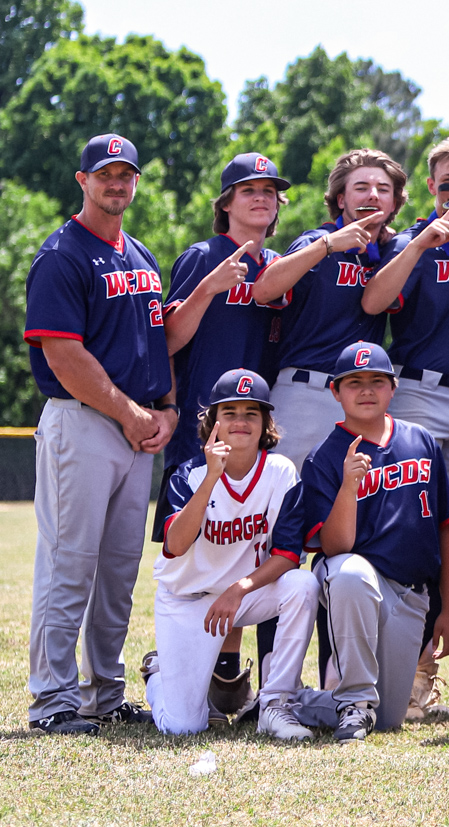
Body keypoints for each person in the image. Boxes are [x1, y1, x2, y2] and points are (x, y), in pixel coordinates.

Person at [22, 133, 173, 734]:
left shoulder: (140, 256)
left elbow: (152, 343)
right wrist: (130, 413)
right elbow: (64, 355)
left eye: (125, 174)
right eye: (104, 173)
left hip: (137, 429)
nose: (116, 183)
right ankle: (53, 699)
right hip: (82, 421)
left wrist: (164, 408)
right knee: (69, 564)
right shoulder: (62, 254)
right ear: (81, 180)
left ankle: (103, 693)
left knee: (117, 569)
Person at [154, 151, 294, 717]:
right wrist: (208, 287)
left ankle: (237, 674)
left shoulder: (279, 267)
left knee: (251, 546)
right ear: (226, 204)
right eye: (247, 189)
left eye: (269, 189)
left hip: (255, 429)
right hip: (203, 425)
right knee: (196, 556)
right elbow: (168, 340)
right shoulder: (201, 257)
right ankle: (183, 658)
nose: (260, 196)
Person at [361, 136, 449, 719]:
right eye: (447, 182)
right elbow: (373, 302)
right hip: (417, 388)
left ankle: (425, 672)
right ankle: (400, 672)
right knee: (410, 530)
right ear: (430, 185)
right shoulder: (410, 239)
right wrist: (418, 244)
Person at [270, 342, 449, 742]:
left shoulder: (421, 441)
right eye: (353, 382)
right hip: (352, 579)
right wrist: (349, 487)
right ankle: (354, 701)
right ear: (336, 392)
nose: (366, 390)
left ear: (393, 389)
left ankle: (290, 700)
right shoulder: (323, 457)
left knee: (389, 717)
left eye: (377, 381)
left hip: (410, 593)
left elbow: (446, 528)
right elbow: (335, 547)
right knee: (352, 573)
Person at [141, 370, 317, 740]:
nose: (240, 421)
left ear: (265, 422)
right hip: (188, 599)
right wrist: (210, 479)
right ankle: (160, 676)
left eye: (251, 413)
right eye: (230, 412)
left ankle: (275, 705)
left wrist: (239, 589)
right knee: (183, 727)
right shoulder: (187, 474)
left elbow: (287, 554)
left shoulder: (281, 472)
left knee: (302, 585)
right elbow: (174, 545)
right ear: (213, 421)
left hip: (243, 595)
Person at [257, 149, 402, 470]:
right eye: (361, 187)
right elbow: (264, 289)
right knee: (283, 504)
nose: (373, 195)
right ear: (340, 199)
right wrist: (328, 245)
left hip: (359, 399)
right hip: (304, 393)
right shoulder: (317, 240)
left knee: (351, 510)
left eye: (383, 189)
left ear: (394, 204)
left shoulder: (394, 252)